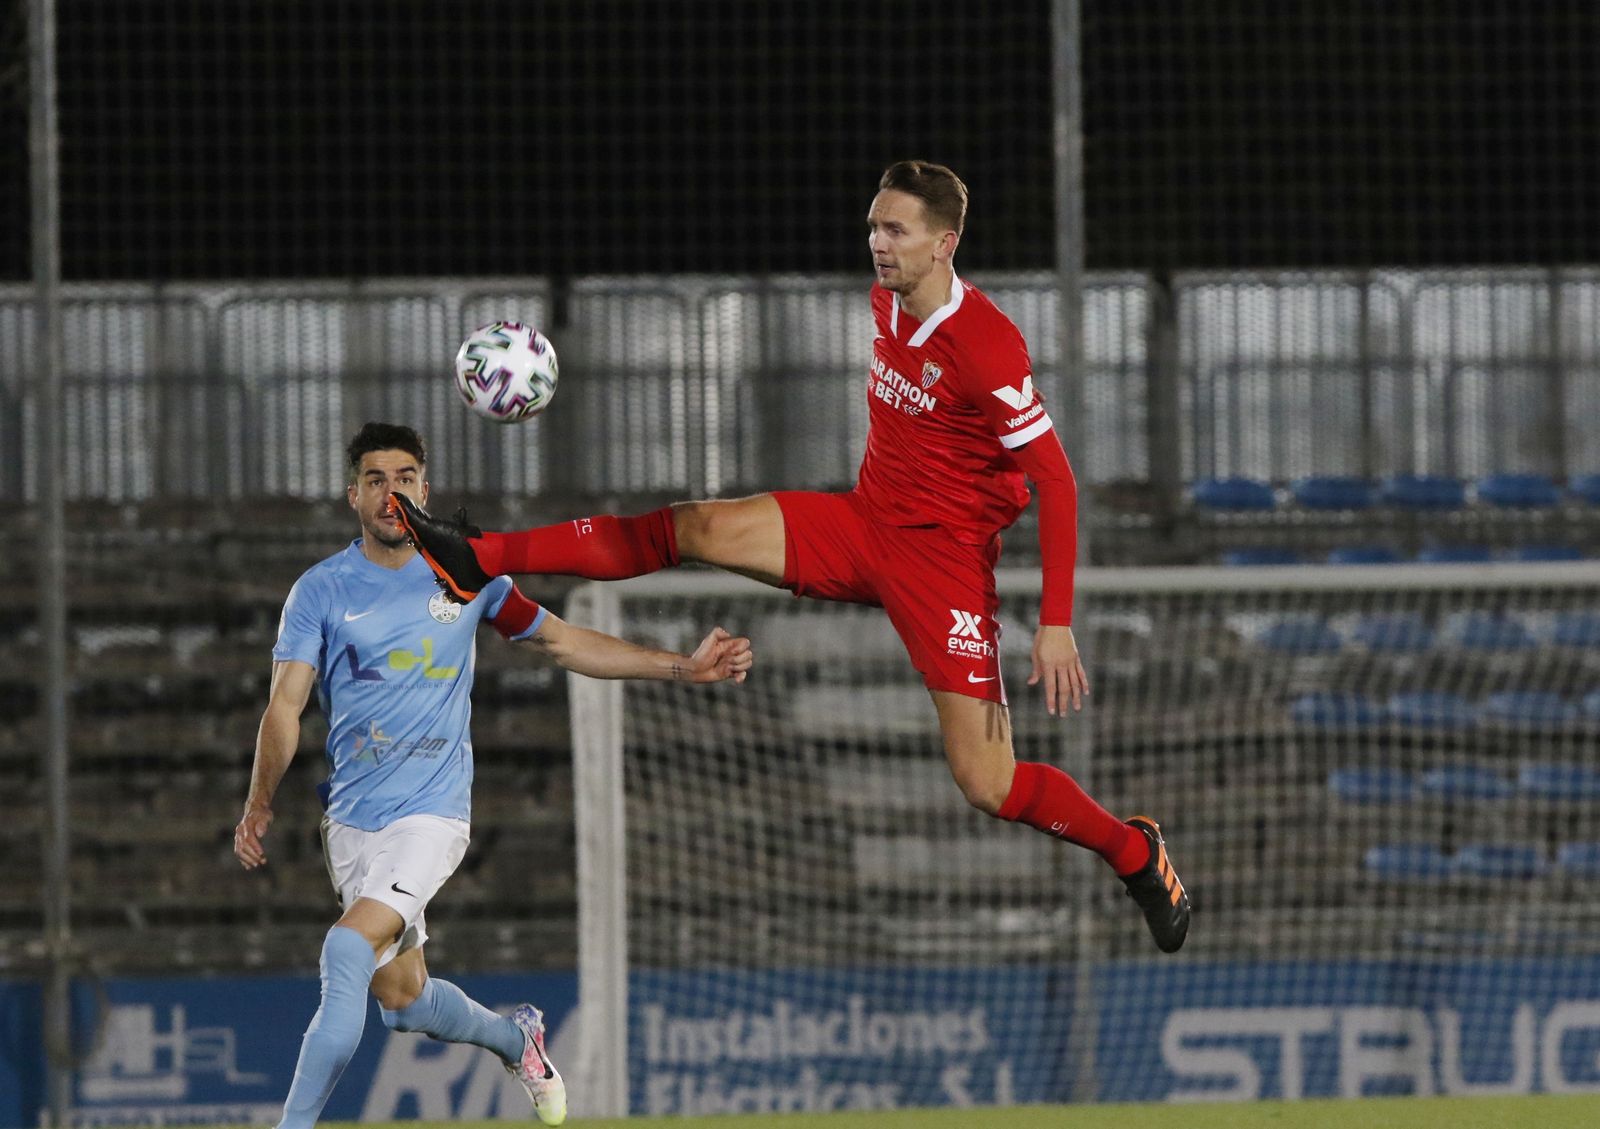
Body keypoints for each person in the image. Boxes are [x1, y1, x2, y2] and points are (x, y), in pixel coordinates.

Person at [394, 160, 1190, 953]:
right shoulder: (887, 299)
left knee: (989, 782)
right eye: (874, 226)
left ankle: (1134, 851)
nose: (878, 243)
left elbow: (1058, 480)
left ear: (945, 243)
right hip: (861, 523)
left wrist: (1055, 623)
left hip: (942, 567)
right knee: (694, 526)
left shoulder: (986, 345)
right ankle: (478, 555)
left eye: (896, 230)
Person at [234, 422, 754, 1129]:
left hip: (432, 815)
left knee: (345, 948)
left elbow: (563, 642)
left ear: (426, 488)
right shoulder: (320, 591)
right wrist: (259, 802)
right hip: (352, 822)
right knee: (402, 1001)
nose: (393, 494)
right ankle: (518, 1041)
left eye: (406, 478)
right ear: (353, 494)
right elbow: (285, 706)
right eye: (377, 480)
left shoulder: (465, 573)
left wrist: (681, 667)